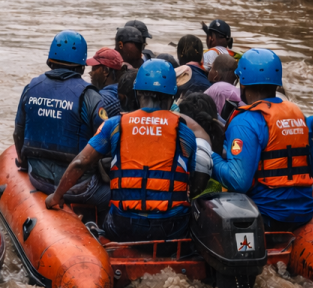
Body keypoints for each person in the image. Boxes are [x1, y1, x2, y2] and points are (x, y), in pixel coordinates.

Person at [45, 60, 211, 244]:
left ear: (137, 92)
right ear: (172, 96)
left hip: (123, 226)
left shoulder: (114, 125)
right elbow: (196, 181)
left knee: (104, 215)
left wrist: (57, 196)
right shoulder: (184, 132)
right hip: (170, 228)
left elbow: (80, 163)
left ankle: (93, 230)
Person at [212, 49, 313, 232]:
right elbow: (312, 168)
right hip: (305, 211)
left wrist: (211, 159)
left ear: (242, 83)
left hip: (267, 214)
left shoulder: (245, 121)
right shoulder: (297, 113)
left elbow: (238, 181)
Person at [14, 31, 110, 214]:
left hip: (38, 178)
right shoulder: (91, 96)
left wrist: (24, 162)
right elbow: (107, 142)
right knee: (115, 194)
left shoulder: (30, 88)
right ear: (82, 66)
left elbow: (18, 133)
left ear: (50, 61)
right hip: (79, 186)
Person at [87, 47, 123, 120]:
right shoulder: (123, 92)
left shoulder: (102, 99)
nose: (90, 73)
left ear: (105, 71)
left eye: (94, 69)